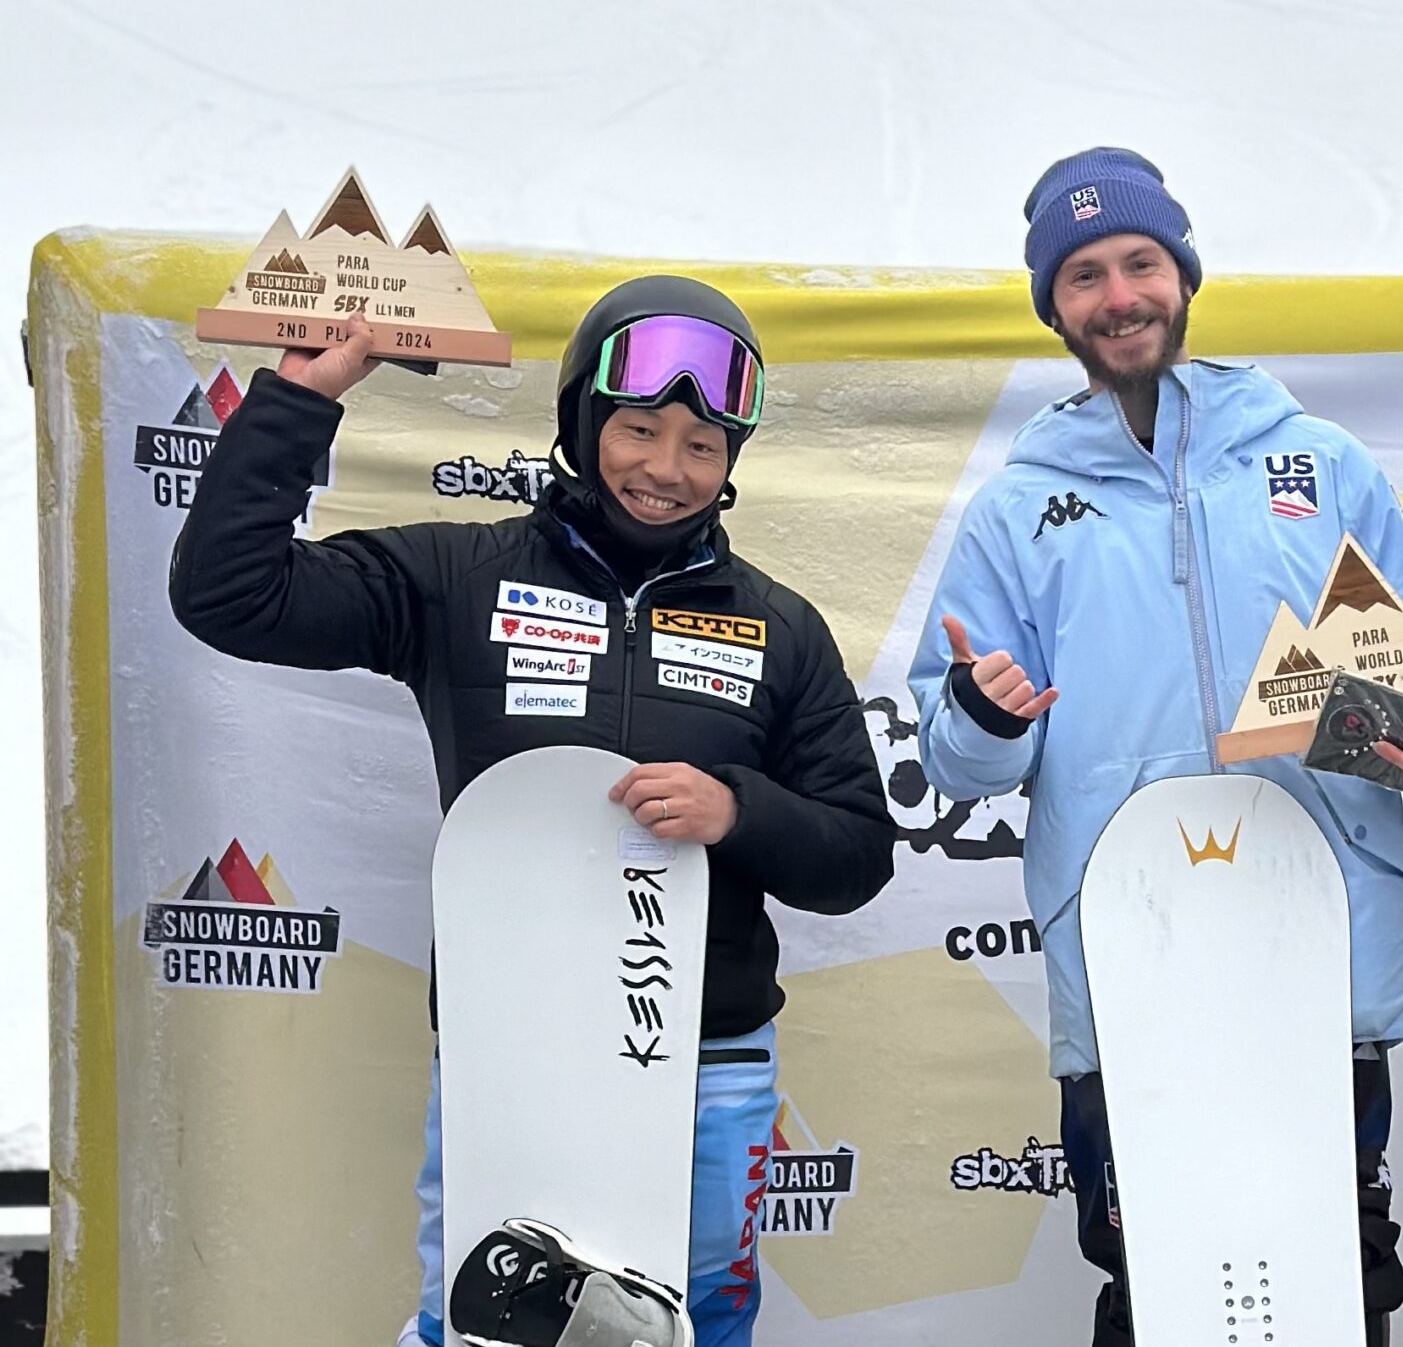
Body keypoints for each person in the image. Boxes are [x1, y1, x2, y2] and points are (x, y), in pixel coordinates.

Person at [167, 276, 901, 1347]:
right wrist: (301, 398)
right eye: (641, 429)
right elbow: (232, 596)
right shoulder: (459, 577)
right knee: (489, 1326)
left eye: (703, 445)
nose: (667, 469)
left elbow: (855, 856)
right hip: (509, 1055)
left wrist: (737, 807)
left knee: (689, 1325)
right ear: (581, 425)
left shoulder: (780, 630)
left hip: (706, 1063)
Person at [907, 147, 1403, 1347]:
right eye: (1083, 276)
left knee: (1336, 1272)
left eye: (1139, 262)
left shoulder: (1317, 463)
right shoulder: (1018, 507)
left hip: (1314, 949)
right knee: (1160, 1287)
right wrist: (991, 712)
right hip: (1133, 954)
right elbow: (960, 763)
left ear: (1181, 273)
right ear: (1052, 305)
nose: (1118, 296)